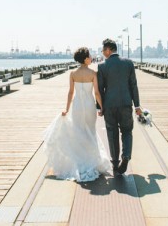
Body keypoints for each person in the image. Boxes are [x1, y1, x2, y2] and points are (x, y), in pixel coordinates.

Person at [43, 47, 111, 182]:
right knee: (90, 132)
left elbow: (70, 93)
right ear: (85, 59)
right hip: (89, 105)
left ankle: (81, 160)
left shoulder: (73, 73)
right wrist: (102, 107)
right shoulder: (93, 73)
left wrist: (66, 109)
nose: (91, 58)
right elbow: (97, 93)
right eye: (90, 56)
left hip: (77, 106)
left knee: (79, 132)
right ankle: (92, 160)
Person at [97, 38, 141, 175]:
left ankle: (115, 163)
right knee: (127, 131)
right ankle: (126, 156)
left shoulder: (102, 66)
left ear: (109, 50)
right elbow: (133, 85)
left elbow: (100, 88)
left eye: (103, 50)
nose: (102, 52)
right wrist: (137, 105)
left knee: (112, 132)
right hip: (126, 104)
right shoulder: (128, 63)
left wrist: (100, 107)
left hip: (109, 105)